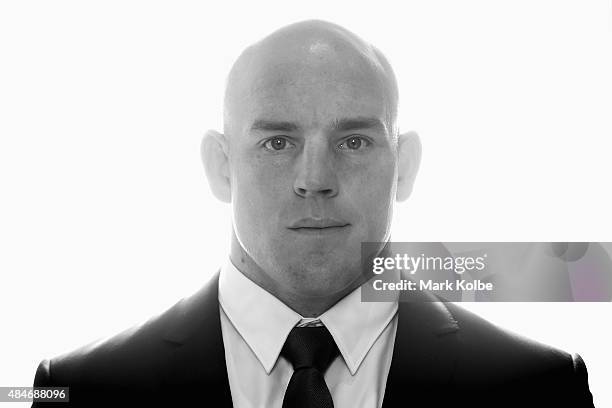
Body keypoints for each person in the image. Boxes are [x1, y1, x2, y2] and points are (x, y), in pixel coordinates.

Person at [32, 20, 594, 407]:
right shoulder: (78, 390)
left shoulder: (539, 389)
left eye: (353, 142)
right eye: (278, 142)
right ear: (220, 167)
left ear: (404, 167)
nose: (315, 180)